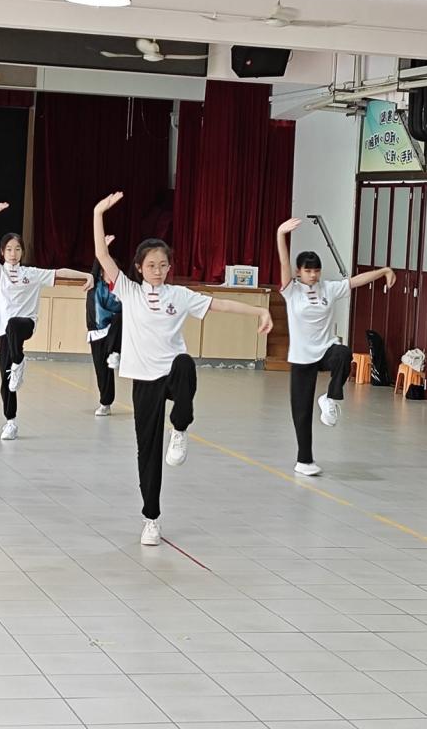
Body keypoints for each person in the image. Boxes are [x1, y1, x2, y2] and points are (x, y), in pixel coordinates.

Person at [94, 192, 273, 546]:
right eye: (151, 265)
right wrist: (99, 212)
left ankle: (180, 427)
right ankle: (151, 519)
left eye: (163, 265)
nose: (158, 271)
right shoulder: (128, 291)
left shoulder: (179, 295)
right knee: (147, 452)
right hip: (144, 380)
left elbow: (220, 305)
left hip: (172, 375)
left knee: (185, 363)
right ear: (139, 268)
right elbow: (102, 254)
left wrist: (259, 311)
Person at [276, 217, 397, 477]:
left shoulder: (328, 288)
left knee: (343, 353)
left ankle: (330, 398)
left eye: (316, 271)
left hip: (326, 351)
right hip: (302, 358)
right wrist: (280, 235)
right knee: (302, 412)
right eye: (308, 271)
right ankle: (304, 461)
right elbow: (283, 264)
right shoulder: (291, 291)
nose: (313, 275)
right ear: (299, 272)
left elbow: (356, 281)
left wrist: (384, 271)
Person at [0, 203, 92, 440]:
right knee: (6, 381)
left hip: (25, 325)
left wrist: (86, 275)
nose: (13, 253)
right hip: (3, 333)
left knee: (13, 325)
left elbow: (60, 272)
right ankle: (10, 422)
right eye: (9, 249)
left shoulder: (31, 274)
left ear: (22, 252)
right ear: (2, 253)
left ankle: (19, 361)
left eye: (17, 249)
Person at [87, 234, 122, 417]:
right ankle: (105, 403)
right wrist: (103, 249)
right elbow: (94, 270)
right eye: (106, 269)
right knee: (102, 370)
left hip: (114, 333)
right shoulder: (95, 286)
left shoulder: (123, 289)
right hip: (97, 333)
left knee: (120, 317)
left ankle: (116, 352)